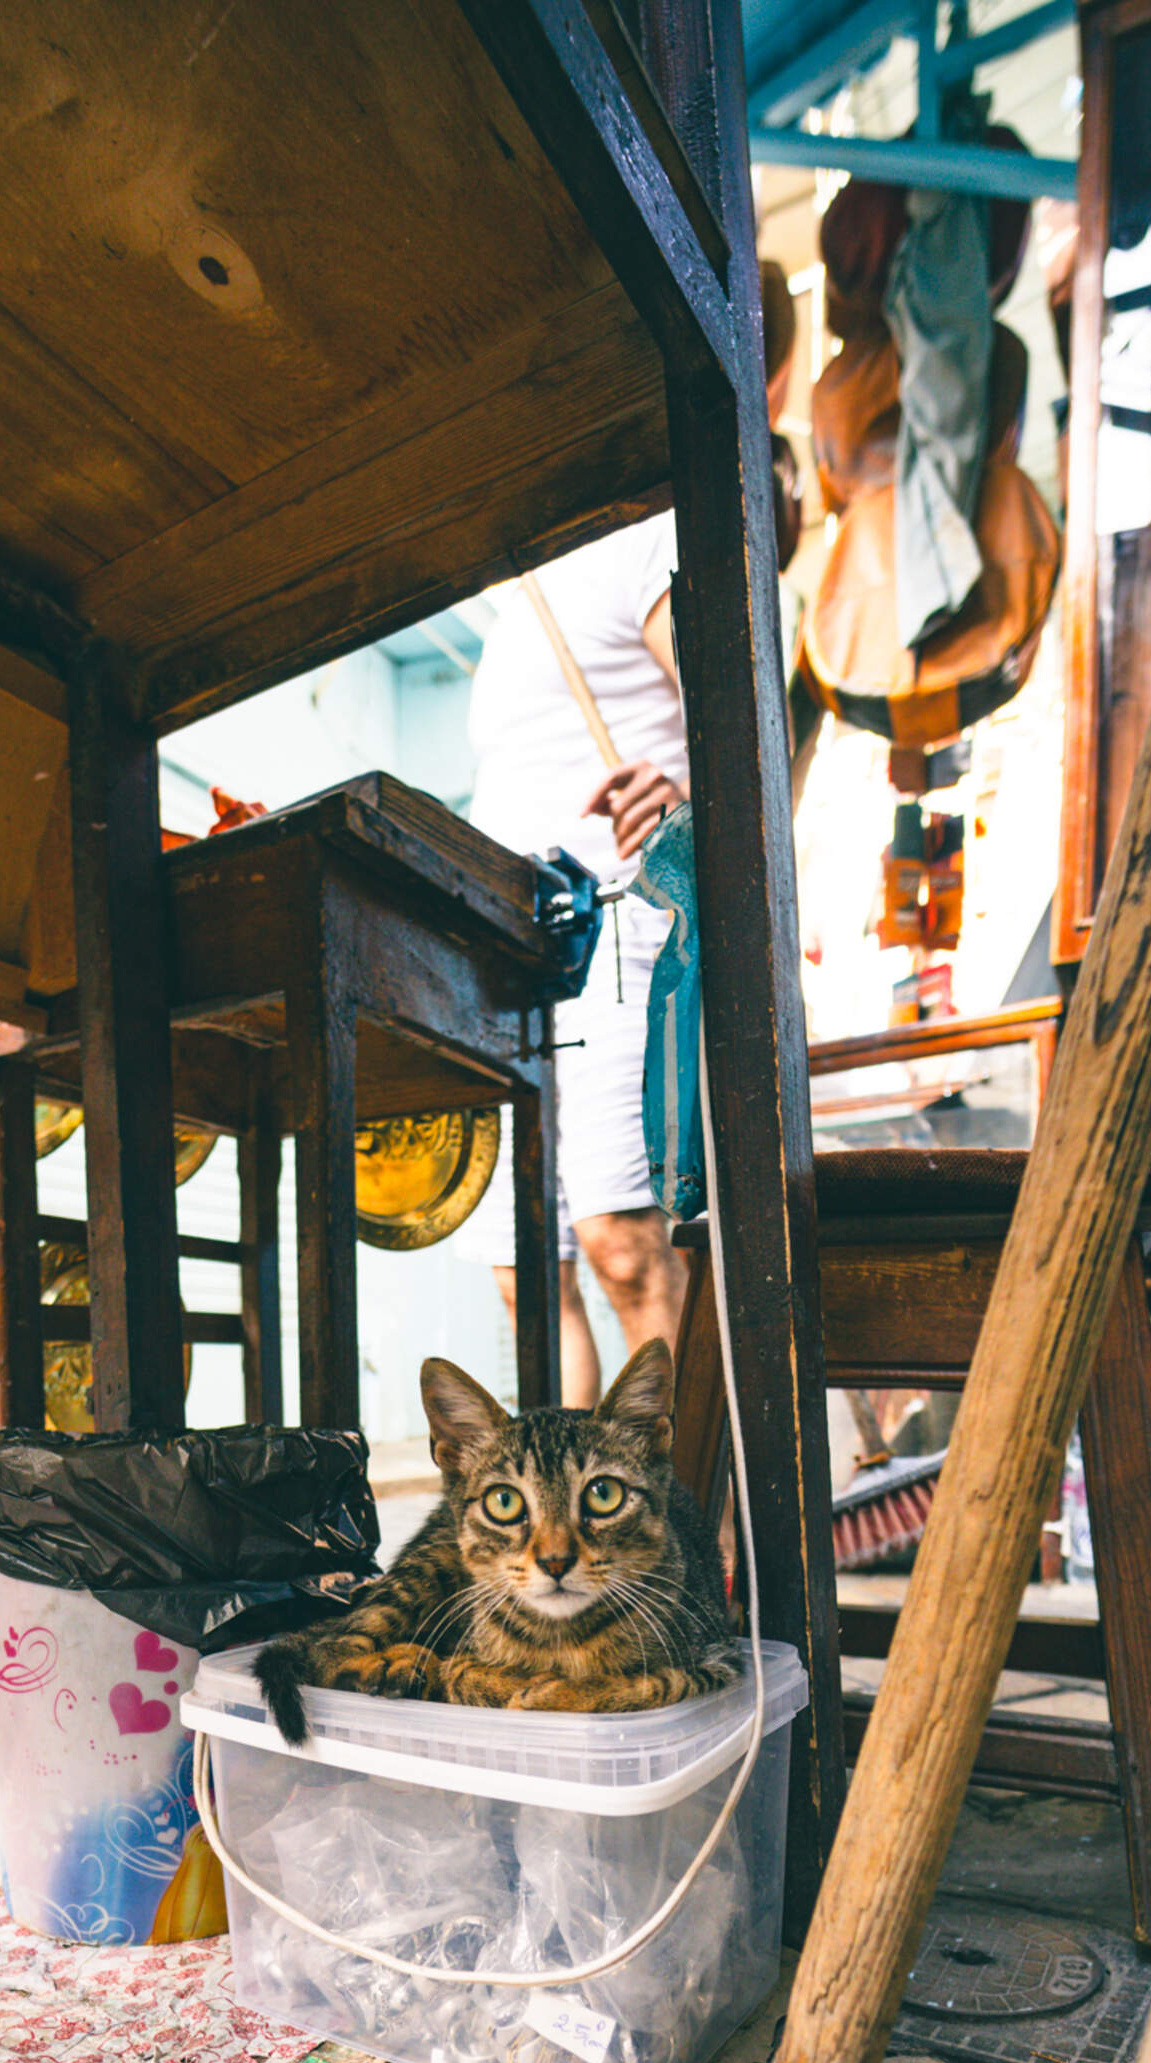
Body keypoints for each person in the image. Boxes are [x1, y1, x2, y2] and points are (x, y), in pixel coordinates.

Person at [461, 267, 797, 1406]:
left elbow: (754, 729)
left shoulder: (646, 537)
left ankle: (696, 1552)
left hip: (618, 934)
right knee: (525, 1270)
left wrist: (691, 792)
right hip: (508, 959)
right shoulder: (514, 592)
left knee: (622, 1243)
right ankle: (574, 1554)